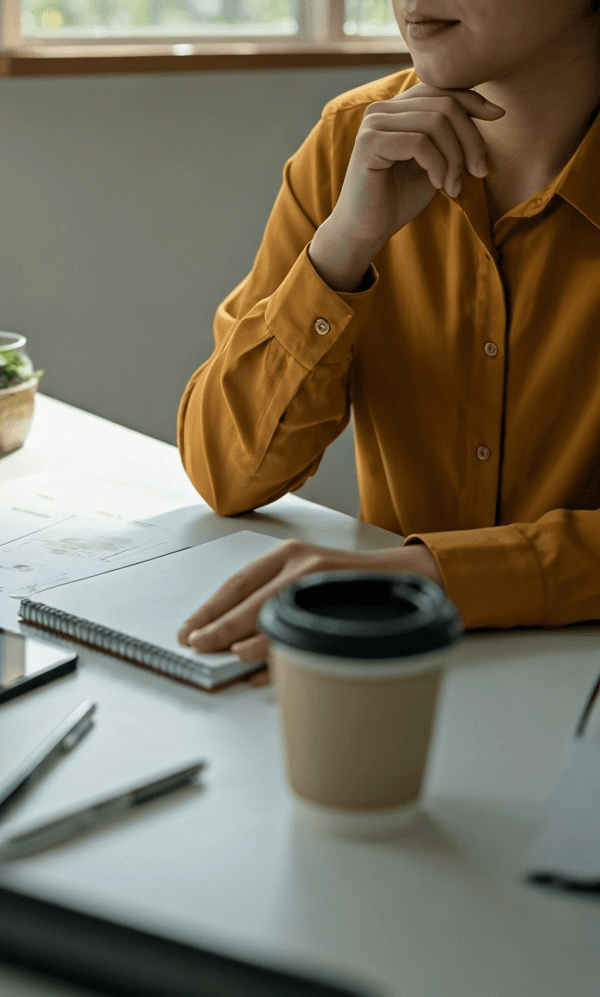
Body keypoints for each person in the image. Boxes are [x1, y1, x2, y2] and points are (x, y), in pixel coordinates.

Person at [176, 1, 600, 684]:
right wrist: (342, 249)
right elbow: (227, 474)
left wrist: (432, 572)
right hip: (386, 676)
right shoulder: (350, 144)